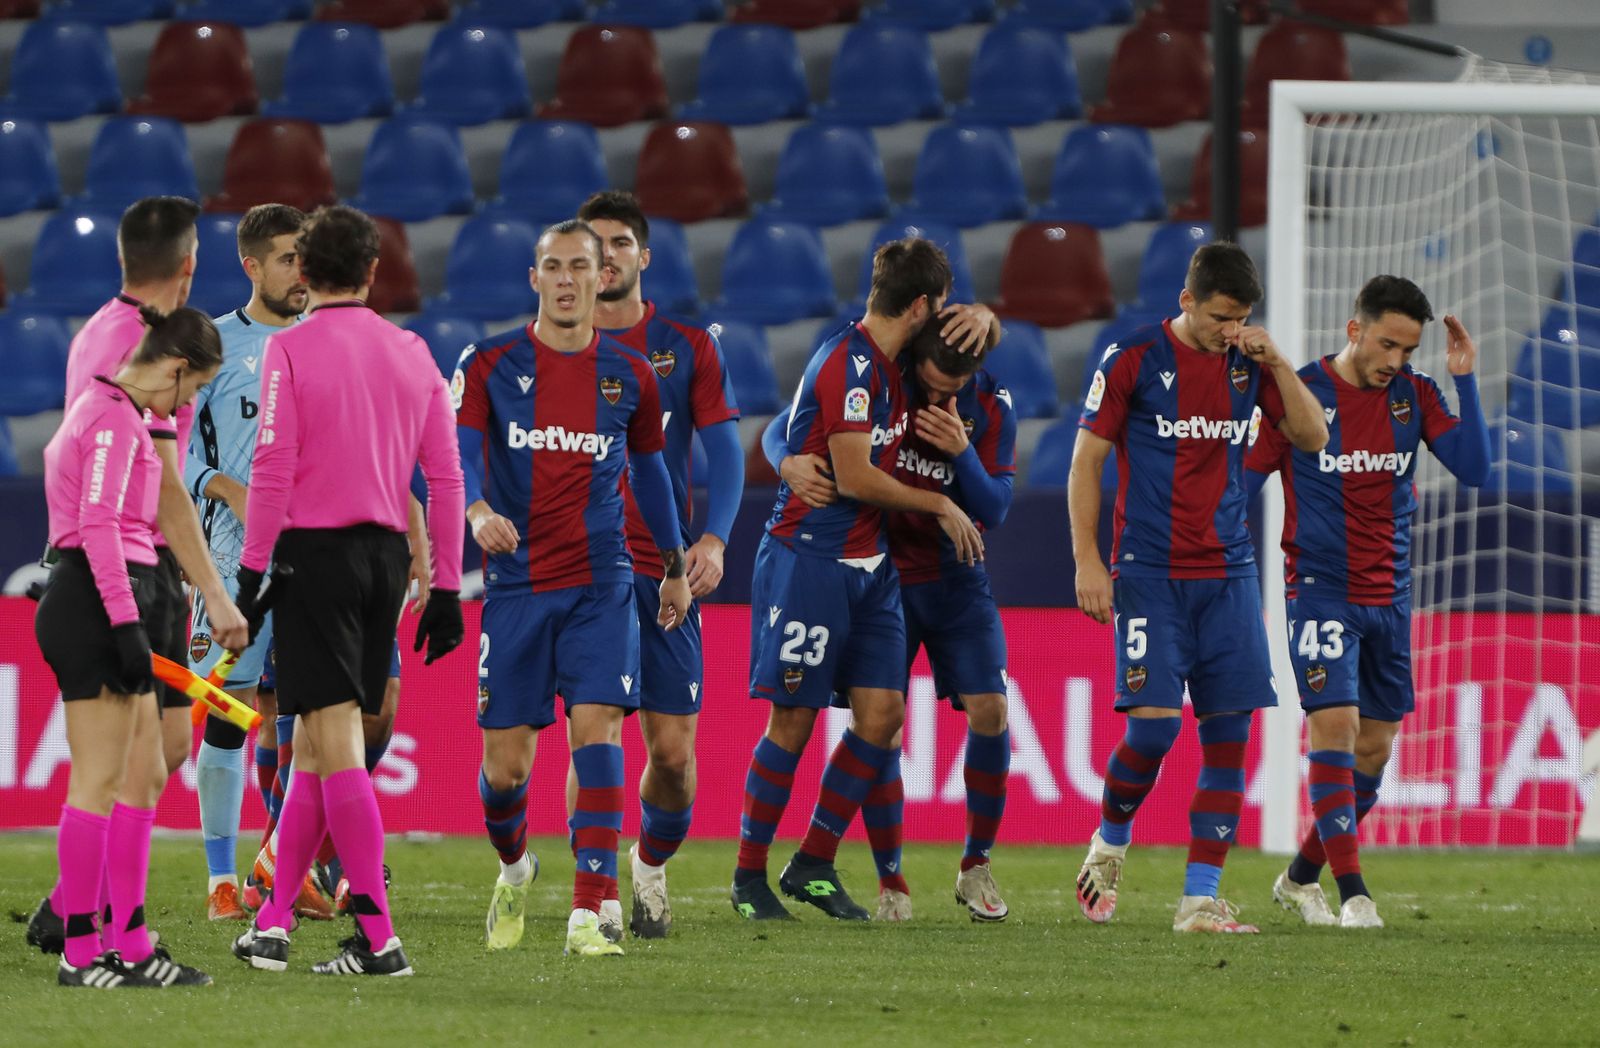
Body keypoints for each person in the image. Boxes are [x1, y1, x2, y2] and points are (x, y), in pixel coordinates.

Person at [230, 205, 465, 977]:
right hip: (386, 562)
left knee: (334, 751)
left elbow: (272, 467)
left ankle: (379, 938)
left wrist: (252, 572)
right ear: (371, 271)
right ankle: (272, 924)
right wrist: (445, 585)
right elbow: (446, 477)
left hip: (315, 560)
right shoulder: (412, 351)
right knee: (315, 748)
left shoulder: (290, 350)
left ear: (303, 271)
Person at [1070, 243, 1328, 934]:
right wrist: (1087, 561)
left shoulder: (1250, 363)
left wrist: (1278, 362)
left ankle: (1199, 900)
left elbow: (1311, 436)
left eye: (1240, 317)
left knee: (1229, 739)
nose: (1229, 329)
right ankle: (1110, 842)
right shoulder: (1132, 358)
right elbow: (1087, 461)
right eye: (1219, 316)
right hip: (1149, 573)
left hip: (1229, 576)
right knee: (1154, 730)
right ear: (1187, 301)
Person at [730, 238, 986, 923]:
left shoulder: (899, 358)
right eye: (942, 304)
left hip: (872, 567)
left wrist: (987, 316)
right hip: (809, 559)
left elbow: (785, 426)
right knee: (793, 720)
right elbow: (852, 476)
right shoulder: (850, 361)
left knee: (882, 715)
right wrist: (939, 503)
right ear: (922, 305)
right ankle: (748, 876)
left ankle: (813, 861)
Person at [455, 219, 691, 958]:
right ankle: (514, 867)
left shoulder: (632, 374)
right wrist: (477, 510)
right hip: (516, 588)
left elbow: (651, 473)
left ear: (600, 277)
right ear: (535, 279)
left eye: (579, 266)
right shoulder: (489, 363)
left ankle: (590, 910)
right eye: (552, 266)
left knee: (599, 734)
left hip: (603, 583)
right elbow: (457, 454)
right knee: (506, 773)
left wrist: (674, 566)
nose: (565, 279)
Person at [28, 196, 248, 955]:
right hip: (122, 568)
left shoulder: (103, 332)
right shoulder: (141, 354)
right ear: (190, 264)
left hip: (135, 565)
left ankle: (82, 912)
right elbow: (158, 487)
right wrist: (211, 590)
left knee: (161, 754)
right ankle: (94, 926)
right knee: (131, 768)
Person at [1246, 276, 1489, 928]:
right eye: (1387, 344)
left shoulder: (1415, 395)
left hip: (1390, 597)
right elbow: (1241, 482)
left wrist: (1464, 380)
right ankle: (1355, 895)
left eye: (1407, 350)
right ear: (1355, 329)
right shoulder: (1300, 394)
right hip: (1319, 591)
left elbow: (1475, 469)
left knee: (1374, 752)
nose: (1395, 361)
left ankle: (1300, 878)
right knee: (1335, 728)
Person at [575, 190, 744, 939]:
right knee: (595, 734)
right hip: (583, 571)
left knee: (673, 760)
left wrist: (715, 540)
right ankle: (597, 896)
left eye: (620, 243)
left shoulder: (686, 346)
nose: (606, 256)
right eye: (594, 244)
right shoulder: (549, 350)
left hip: (664, 570)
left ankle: (648, 863)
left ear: (643, 256)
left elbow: (726, 451)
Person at [182, 202, 310, 921]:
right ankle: (221, 881)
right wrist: (222, 485)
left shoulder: (326, 338)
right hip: (234, 562)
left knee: (317, 715)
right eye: (289, 258)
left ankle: (292, 862)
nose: (302, 272)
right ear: (251, 265)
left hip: (317, 556)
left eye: (307, 258)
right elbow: (172, 451)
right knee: (231, 716)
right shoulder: (214, 344)